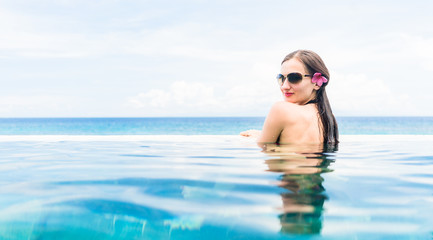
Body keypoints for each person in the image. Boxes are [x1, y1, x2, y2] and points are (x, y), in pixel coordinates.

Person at [241, 50, 338, 148]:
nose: (284, 86)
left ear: (317, 83)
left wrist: (258, 139)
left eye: (294, 78)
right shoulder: (328, 118)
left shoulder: (281, 109)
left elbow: (266, 152)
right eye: (281, 78)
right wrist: (263, 135)